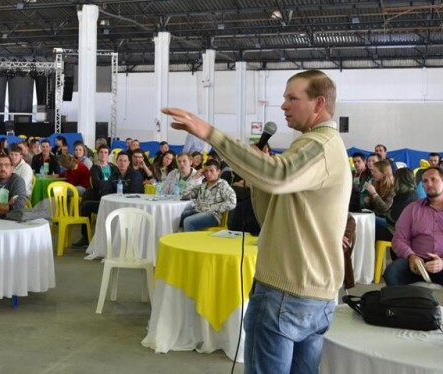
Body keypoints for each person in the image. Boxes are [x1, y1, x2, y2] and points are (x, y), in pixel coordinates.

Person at [163, 69, 350, 373]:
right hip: (313, 293)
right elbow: (271, 214)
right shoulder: (321, 146)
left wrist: (211, 134)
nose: (284, 105)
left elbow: (277, 176)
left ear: (318, 104)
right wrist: (256, 171)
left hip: (287, 290)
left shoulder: (317, 145)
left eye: (293, 98)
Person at [384, 166, 443, 286]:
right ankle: (406, 304)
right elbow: (398, 239)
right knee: (392, 273)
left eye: (433, 179)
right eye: (425, 181)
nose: (429, 184)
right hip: (416, 261)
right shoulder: (412, 208)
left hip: (442, 263)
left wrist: (442, 262)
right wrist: (411, 256)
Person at [178, 160, 236, 231]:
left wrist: (211, 207)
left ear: (218, 171)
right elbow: (184, 195)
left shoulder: (222, 185)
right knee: (178, 216)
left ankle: (189, 242)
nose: (208, 173)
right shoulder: (203, 185)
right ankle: (178, 238)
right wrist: (194, 178)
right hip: (198, 211)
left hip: (213, 215)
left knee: (188, 221)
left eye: (211, 171)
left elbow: (232, 202)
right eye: (206, 171)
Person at [375, 167, 419, 243]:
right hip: (394, 227)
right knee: (372, 219)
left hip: (396, 232)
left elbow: (393, 218)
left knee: (369, 226)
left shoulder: (407, 196)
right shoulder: (410, 193)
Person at [362, 159, 395, 224]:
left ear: (384, 173)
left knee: (366, 221)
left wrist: (374, 194)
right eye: (372, 171)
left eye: (375, 171)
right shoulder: (376, 183)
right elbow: (372, 207)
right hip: (375, 214)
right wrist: (367, 202)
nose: (372, 173)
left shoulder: (393, 187)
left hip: (386, 219)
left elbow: (385, 209)